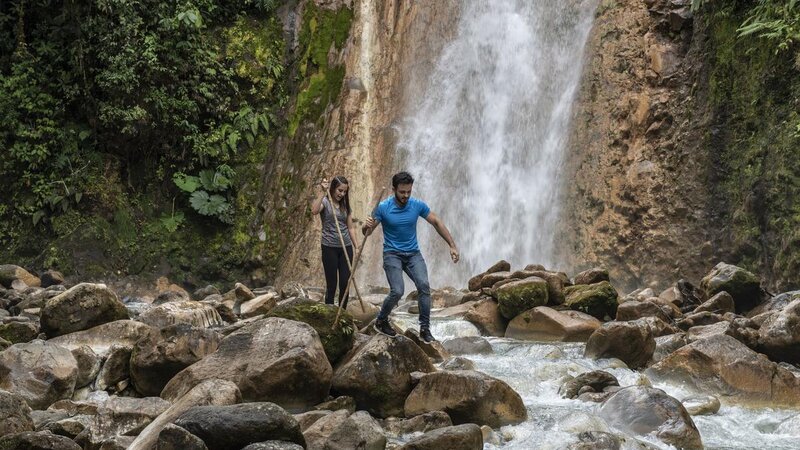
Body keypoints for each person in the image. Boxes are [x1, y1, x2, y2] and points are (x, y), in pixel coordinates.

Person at [362, 171, 459, 343]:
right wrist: (366, 226)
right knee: (397, 291)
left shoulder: (416, 205)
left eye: (409, 192)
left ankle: (425, 329)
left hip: (413, 254)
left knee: (424, 286)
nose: (406, 195)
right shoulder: (383, 207)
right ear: (394, 190)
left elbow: (436, 221)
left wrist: (452, 245)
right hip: (392, 254)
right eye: (402, 192)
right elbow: (367, 233)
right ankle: (381, 320)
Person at [310, 176, 358, 308]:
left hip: (345, 247)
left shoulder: (345, 205)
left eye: (344, 191)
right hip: (329, 247)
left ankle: (342, 312)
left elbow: (350, 227)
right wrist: (322, 192)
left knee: (345, 282)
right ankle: (329, 312)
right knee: (332, 283)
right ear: (333, 188)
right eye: (339, 190)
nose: (342, 194)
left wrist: (356, 246)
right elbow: (314, 211)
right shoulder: (325, 202)